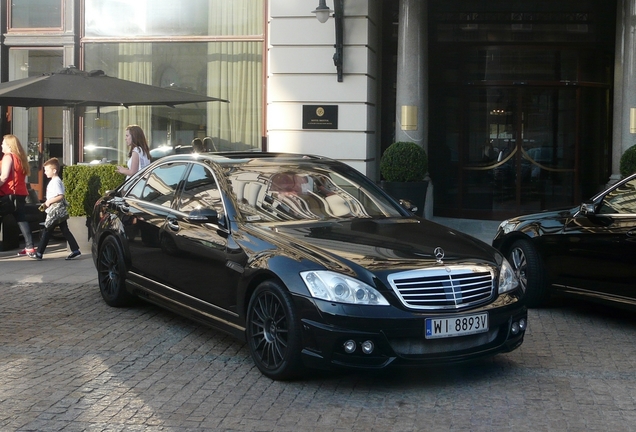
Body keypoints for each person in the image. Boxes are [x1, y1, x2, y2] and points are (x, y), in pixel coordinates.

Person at [29, 158, 81, 261]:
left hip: (55, 211)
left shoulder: (56, 182)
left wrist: (48, 202)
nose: (45, 172)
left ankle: (39, 253)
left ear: (54, 170)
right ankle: (75, 250)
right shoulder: (55, 181)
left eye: (47, 170)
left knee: (47, 230)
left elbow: (60, 196)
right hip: (58, 211)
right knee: (64, 230)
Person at [0, 134, 36, 256]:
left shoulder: (8, 157)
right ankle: (30, 247)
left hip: (8, 192)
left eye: (3, 143)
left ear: (9, 145)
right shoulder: (20, 158)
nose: (1, 145)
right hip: (20, 193)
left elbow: (4, 176)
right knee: (21, 219)